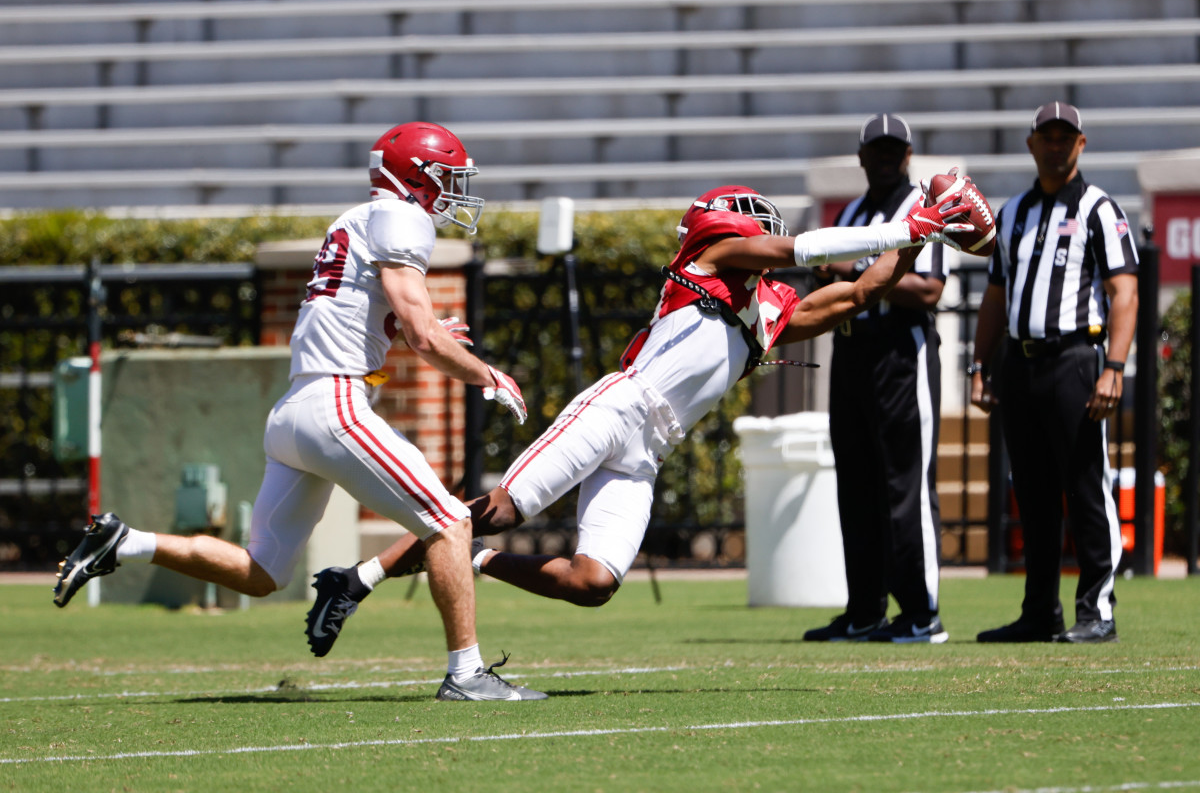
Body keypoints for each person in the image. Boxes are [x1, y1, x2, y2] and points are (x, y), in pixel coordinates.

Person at [304, 179, 977, 657]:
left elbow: (860, 290)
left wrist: (922, 234)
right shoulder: (711, 257)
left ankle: (469, 559)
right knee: (505, 507)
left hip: (650, 448)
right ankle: (357, 579)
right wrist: (906, 222)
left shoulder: (764, 314)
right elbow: (796, 251)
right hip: (618, 407)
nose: (761, 227)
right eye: (752, 217)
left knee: (590, 583)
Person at [52, 121, 548, 701]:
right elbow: (420, 335)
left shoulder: (353, 220)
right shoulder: (401, 216)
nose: (453, 194)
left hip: (295, 411)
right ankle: (466, 675)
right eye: (447, 179)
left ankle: (125, 542)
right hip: (336, 404)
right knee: (450, 522)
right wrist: (488, 373)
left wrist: (427, 328)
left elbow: (368, 312)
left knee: (261, 571)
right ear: (419, 175)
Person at [971, 102, 1138, 644]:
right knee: (1034, 492)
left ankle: (1097, 610)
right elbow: (995, 295)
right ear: (1031, 143)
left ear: (1082, 145)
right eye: (1047, 135)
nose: (1056, 145)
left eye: (1067, 137)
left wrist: (1114, 366)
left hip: (1074, 360)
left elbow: (1125, 292)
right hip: (1019, 364)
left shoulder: (1097, 208)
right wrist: (980, 364)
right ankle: (1040, 611)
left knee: (1086, 485)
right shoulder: (1013, 210)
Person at [803, 113, 948, 644]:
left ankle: (921, 611)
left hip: (899, 352)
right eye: (877, 149)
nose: (886, 157)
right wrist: (829, 273)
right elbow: (831, 274)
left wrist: (852, 273)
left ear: (909, 154)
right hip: (851, 351)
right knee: (857, 486)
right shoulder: (853, 212)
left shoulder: (920, 209)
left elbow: (929, 288)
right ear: (861, 157)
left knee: (904, 484)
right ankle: (865, 609)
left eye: (895, 148)